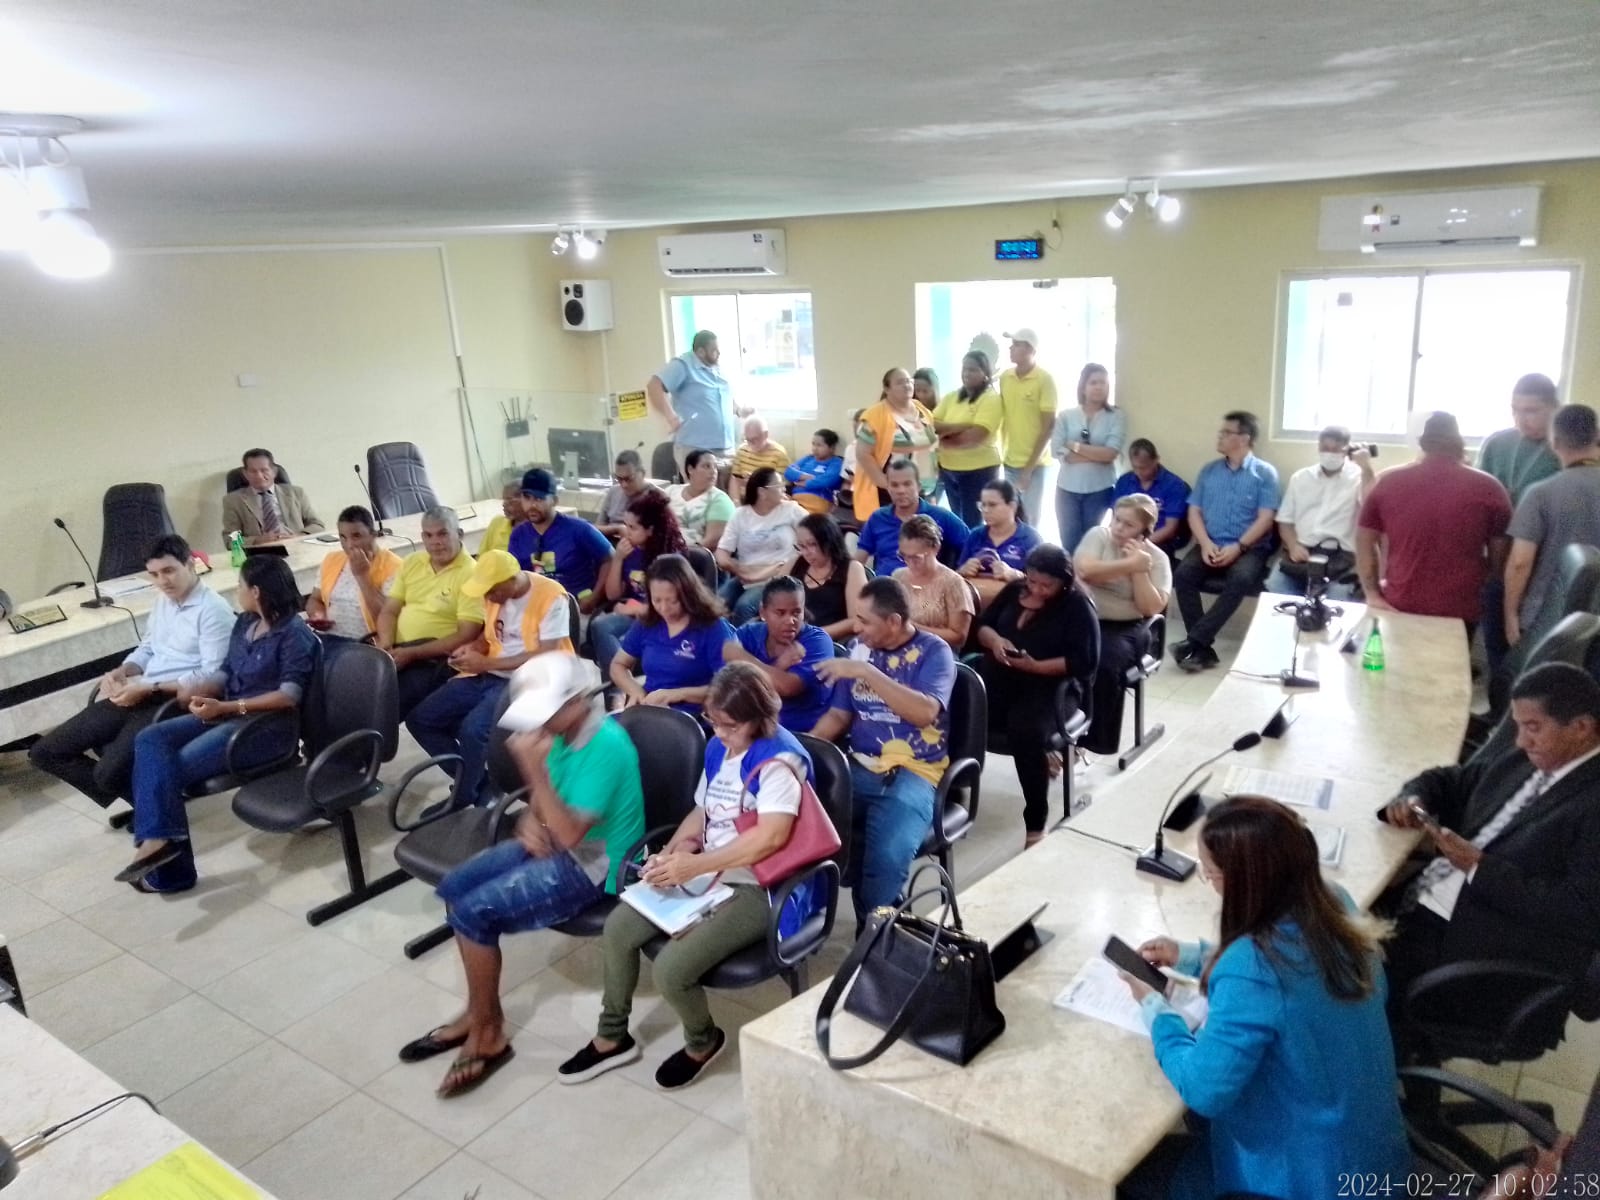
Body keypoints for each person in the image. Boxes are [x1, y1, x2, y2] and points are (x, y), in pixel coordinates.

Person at [1117, 796, 1410, 1200]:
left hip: (1303, 1181)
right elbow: (1294, 967)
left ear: (1243, 881)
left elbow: (1204, 1090)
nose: (1210, 883)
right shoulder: (1333, 901)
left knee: (1129, 1174)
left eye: (1211, 873)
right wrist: (1190, 956)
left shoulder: (1251, 968)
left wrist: (1157, 1010)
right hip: (1373, 1158)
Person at [560, 662, 814, 1091]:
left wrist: (694, 866)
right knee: (619, 928)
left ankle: (703, 1041)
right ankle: (611, 1036)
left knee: (671, 971)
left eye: (731, 725)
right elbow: (703, 810)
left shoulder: (779, 761)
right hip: (710, 869)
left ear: (759, 718)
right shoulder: (719, 748)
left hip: (760, 884)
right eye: (715, 722)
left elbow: (769, 839)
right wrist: (673, 851)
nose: (721, 733)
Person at [399, 655, 644, 1099]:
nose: (538, 724)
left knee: (474, 913)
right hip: (562, 838)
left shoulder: (605, 745)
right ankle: (478, 1012)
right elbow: (551, 804)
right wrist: (532, 816)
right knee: (456, 889)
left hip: (598, 864)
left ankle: (488, 1031)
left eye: (547, 713)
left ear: (576, 703)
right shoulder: (562, 732)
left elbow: (569, 835)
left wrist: (534, 772)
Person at [1376, 663, 1600, 1055]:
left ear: (1581, 727)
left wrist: (1479, 867)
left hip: (1479, 948)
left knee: (1346, 985)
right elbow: (1455, 780)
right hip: (1431, 902)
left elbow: (1578, 911)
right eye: (1518, 726)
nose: (1520, 741)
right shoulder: (1532, 755)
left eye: (1533, 727)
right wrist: (1413, 796)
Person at [114, 556, 319, 893]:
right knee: (151, 738)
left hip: (263, 727)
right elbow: (226, 670)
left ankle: (171, 869)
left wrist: (228, 706)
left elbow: (288, 696)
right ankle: (157, 841)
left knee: (171, 768)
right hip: (226, 712)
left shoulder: (294, 635)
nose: (237, 592)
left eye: (240, 586)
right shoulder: (246, 623)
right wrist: (201, 689)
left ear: (256, 591)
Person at [29, 534, 233, 809]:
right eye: (154, 574)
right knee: (45, 752)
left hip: (176, 701)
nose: (162, 581)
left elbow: (213, 677)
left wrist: (150, 687)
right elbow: (147, 649)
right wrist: (123, 670)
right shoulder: (163, 602)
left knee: (106, 774)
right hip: (143, 691)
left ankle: (150, 805)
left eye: (169, 571)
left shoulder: (212, 610)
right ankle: (148, 803)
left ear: (190, 564)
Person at [813, 578, 955, 924]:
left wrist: (867, 671)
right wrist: (800, 750)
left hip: (913, 774)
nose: (856, 628)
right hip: (859, 766)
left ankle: (876, 937)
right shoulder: (859, 649)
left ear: (893, 621)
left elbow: (924, 712)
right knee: (803, 819)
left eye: (864, 621)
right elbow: (838, 716)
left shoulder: (934, 652)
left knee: (886, 863)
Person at [404, 550, 575, 810]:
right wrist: (473, 648)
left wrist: (487, 663)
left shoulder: (551, 596)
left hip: (530, 680)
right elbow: (491, 636)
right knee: (420, 720)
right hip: (489, 673)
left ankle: (463, 795)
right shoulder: (495, 595)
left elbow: (547, 653)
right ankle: (479, 783)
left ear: (511, 580)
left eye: (492, 591)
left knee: (473, 730)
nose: (488, 597)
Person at [972, 545, 1099, 845]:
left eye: (1047, 585)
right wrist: (996, 641)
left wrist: (1036, 666)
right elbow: (983, 627)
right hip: (1003, 677)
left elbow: (1084, 662)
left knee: (1024, 729)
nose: (1037, 590)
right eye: (1032, 581)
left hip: (1052, 687)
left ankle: (1036, 821)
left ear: (1064, 582)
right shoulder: (1015, 589)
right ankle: (952, 792)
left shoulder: (1077, 606)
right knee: (961, 706)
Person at [1357, 411, 1512, 634]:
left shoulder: (1388, 483)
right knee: (1451, 658)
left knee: (1399, 656)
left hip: (1399, 603)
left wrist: (1372, 594)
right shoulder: (1490, 488)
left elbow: (1363, 540)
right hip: (1460, 609)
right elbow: (1500, 559)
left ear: (1423, 443)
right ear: (1459, 444)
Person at [1171, 411, 1281, 672]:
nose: (1219, 437)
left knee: (1241, 578)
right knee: (1183, 575)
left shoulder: (1265, 474)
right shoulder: (1209, 471)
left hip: (1250, 548)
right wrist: (1205, 543)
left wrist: (1239, 547)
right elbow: (1194, 512)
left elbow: (1266, 518)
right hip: (1210, 542)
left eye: (1226, 433)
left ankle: (1195, 641)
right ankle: (1202, 649)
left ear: (1244, 438)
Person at [1074, 494, 1172, 757]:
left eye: (1128, 525)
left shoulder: (1157, 559)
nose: (1118, 528)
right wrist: (1129, 563)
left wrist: (1139, 570)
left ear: (1144, 531)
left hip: (1128, 626)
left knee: (1105, 663)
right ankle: (1061, 725)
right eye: (1117, 519)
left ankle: (1094, 741)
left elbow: (1150, 608)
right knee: (1055, 653)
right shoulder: (1099, 536)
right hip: (1086, 617)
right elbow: (1085, 571)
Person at [1504, 404, 1600, 655]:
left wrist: (1510, 613)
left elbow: (1520, 562)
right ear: (1597, 437)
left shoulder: (1540, 493)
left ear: (1554, 442)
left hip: (1547, 618)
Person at [375, 507, 487, 719]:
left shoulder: (472, 573)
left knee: (382, 705)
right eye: (428, 535)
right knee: (355, 690)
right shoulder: (412, 562)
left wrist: (412, 653)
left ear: (459, 534)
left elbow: (467, 634)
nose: (435, 542)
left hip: (435, 660)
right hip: (397, 651)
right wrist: (386, 645)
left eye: (442, 534)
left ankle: (371, 739)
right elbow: (389, 610)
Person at [609, 555, 736, 714]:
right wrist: (635, 691)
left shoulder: (713, 628)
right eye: (657, 600)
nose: (664, 608)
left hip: (694, 717)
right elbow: (618, 665)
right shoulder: (648, 622)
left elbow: (730, 686)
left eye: (672, 601)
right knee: (603, 728)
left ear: (688, 595)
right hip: (651, 709)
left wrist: (677, 695)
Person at [1262, 425, 1376, 599]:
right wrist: (1293, 545)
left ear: (1346, 450)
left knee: (1337, 598)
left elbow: (1371, 504)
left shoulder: (1358, 477)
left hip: (1342, 557)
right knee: (1276, 585)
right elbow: (1285, 521)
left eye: (1335, 449)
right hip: (1303, 551)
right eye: (1325, 448)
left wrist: (1366, 467)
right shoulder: (1301, 478)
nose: (1329, 453)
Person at [589, 490, 688, 677]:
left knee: (610, 632)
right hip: (636, 615)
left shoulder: (671, 558)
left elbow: (677, 605)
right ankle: (618, 685)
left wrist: (636, 609)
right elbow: (613, 595)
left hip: (661, 617)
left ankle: (619, 683)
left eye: (632, 527)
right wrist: (618, 559)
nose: (626, 532)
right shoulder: (630, 551)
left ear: (650, 530)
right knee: (600, 626)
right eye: (625, 525)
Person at [723, 576, 837, 733]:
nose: (790, 620)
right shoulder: (748, 634)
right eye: (780, 613)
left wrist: (740, 656)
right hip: (754, 730)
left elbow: (788, 687)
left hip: (802, 735)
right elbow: (734, 690)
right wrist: (779, 666)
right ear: (763, 612)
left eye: (796, 612)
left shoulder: (818, 641)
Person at [508, 467, 614, 612]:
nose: (532, 505)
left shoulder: (579, 529)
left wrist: (594, 597)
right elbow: (515, 574)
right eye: (527, 498)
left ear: (555, 500)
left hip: (576, 607)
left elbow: (610, 558)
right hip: (538, 609)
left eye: (539, 499)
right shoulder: (518, 535)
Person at [647, 330, 750, 477]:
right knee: (702, 491)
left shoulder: (717, 368)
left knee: (727, 490)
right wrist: (671, 417)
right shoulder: (683, 365)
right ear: (700, 352)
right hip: (696, 448)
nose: (719, 353)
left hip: (726, 448)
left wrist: (739, 411)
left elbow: (723, 398)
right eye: (714, 350)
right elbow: (653, 386)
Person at [1050, 362, 1126, 554]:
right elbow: (1056, 451)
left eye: (1103, 383)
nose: (1099, 387)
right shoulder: (1066, 416)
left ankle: (1088, 573)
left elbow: (1110, 454)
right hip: (1067, 488)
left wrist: (1074, 446)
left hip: (1099, 488)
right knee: (1069, 542)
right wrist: (1096, 454)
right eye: (1093, 382)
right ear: (1083, 386)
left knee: (1092, 541)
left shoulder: (1116, 416)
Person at [714, 468, 807, 624]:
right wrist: (737, 569)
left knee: (745, 606)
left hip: (778, 577)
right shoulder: (740, 515)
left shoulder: (792, 510)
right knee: (716, 603)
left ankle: (743, 639)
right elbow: (721, 553)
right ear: (762, 492)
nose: (784, 488)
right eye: (779, 485)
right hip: (746, 575)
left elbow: (815, 532)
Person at [851, 367, 940, 525]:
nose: (907, 385)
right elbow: (863, 453)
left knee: (921, 531)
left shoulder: (920, 409)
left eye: (909, 381)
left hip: (923, 487)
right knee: (895, 532)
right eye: (900, 382)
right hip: (891, 490)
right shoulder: (875, 415)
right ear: (887, 389)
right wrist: (886, 483)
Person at [853, 457, 969, 575]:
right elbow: (859, 557)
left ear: (918, 486)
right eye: (894, 485)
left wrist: (961, 571)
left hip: (925, 583)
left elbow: (972, 543)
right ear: (888, 487)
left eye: (907, 484)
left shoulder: (941, 516)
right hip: (884, 583)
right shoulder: (877, 518)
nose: (901, 490)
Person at [303, 505, 403, 640]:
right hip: (330, 639)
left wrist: (362, 576)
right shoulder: (332, 560)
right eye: (343, 537)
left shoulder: (394, 567)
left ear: (373, 535)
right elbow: (315, 599)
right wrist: (318, 615)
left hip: (369, 642)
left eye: (356, 536)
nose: (349, 544)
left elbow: (388, 619)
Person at [930, 350, 1003, 528]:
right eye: (964, 369)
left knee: (973, 524)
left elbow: (975, 436)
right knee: (958, 521)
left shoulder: (991, 399)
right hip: (949, 469)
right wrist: (961, 426)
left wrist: (943, 440)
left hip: (978, 472)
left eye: (973, 369)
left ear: (985, 373)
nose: (967, 373)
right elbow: (930, 424)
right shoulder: (952, 397)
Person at [997, 329, 1059, 529]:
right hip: (1009, 461)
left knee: (1030, 520)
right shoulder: (1005, 377)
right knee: (1010, 518)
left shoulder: (1044, 379)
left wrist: (1028, 469)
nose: (1011, 348)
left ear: (1031, 349)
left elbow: (1048, 427)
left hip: (1035, 464)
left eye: (1017, 344)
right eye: (1012, 344)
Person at [957, 478, 1043, 610]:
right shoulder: (975, 535)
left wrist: (1014, 575)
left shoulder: (1031, 539)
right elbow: (954, 577)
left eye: (992, 505)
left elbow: (1043, 584)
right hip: (974, 604)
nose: (985, 510)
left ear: (1012, 506)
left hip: (1015, 606)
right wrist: (963, 570)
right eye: (982, 505)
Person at [1478, 372, 1562, 506]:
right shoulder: (1495, 444)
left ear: (1555, 408)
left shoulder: (1568, 449)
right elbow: (1480, 495)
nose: (1520, 420)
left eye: (1531, 411)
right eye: (1515, 410)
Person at [891, 514, 974, 651]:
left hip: (937, 651)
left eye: (916, 557)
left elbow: (959, 637)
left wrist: (913, 629)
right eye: (904, 556)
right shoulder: (898, 577)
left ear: (935, 548)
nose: (909, 563)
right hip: (898, 646)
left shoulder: (953, 583)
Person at [789, 512, 868, 640]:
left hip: (828, 640)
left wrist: (813, 635)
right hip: (789, 634)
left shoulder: (851, 568)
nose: (806, 552)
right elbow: (772, 598)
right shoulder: (795, 563)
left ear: (829, 542)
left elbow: (856, 619)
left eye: (812, 544)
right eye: (801, 546)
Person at [220, 447, 324, 545]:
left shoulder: (296, 493)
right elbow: (230, 539)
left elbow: (317, 525)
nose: (259, 476)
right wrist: (258, 540)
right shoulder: (233, 500)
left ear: (274, 471)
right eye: (253, 471)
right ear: (245, 474)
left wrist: (298, 536)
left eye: (264, 470)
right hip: (261, 551)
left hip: (298, 546)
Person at [1114, 438, 1191, 558]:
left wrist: (1142, 544)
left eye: (1144, 468)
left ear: (1156, 460)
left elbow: (1170, 528)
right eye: (1135, 467)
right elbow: (1115, 516)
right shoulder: (1124, 481)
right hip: (1126, 536)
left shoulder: (1174, 485)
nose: (1139, 472)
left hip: (1159, 539)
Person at [665, 449, 735, 551]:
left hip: (695, 554)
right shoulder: (671, 491)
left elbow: (711, 542)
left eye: (715, 467)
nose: (713, 471)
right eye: (706, 466)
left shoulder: (720, 500)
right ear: (690, 469)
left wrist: (681, 553)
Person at [595, 449, 660, 539]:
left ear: (642, 473)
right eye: (619, 479)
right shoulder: (613, 491)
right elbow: (596, 529)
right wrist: (617, 529)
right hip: (610, 542)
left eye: (629, 478)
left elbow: (659, 535)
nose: (624, 485)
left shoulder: (657, 497)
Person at [784, 429, 846, 515]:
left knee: (800, 517)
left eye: (819, 445)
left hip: (819, 499)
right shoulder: (808, 458)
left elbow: (827, 481)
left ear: (832, 448)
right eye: (813, 444)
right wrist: (807, 477)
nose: (814, 448)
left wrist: (804, 483)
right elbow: (788, 471)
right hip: (795, 498)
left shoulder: (836, 462)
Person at [729, 416, 791, 499]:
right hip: (745, 498)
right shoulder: (742, 450)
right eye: (747, 439)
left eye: (755, 439)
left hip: (767, 499)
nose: (751, 443)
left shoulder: (779, 454)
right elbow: (735, 480)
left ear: (765, 435)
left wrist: (755, 482)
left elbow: (780, 487)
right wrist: (736, 503)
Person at [479, 481, 527, 557]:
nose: (504, 504)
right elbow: (481, 556)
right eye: (504, 500)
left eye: (510, 500)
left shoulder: (536, 531)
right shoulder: (497, 523)